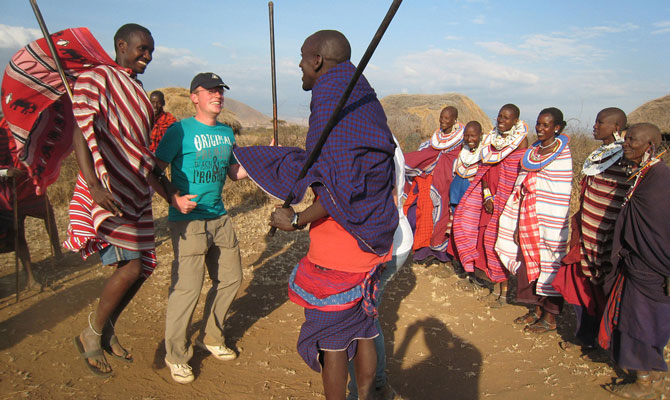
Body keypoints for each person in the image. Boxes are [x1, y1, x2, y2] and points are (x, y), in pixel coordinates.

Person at [233, 30, 397, 400]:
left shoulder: (330, 97)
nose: (300, 66)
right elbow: (338, 165)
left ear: (318, 60)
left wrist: (296, 219)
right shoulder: (360, 95)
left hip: (341, 245)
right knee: (363, 327)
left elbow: (340, 183)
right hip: (374, 235)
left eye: (303, 58)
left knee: (332, 338)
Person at [63, 23, 176, 377]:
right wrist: (95, 184)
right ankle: (91, 334)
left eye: (151, 51)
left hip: (134, 189)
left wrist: (165, 191)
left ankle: (107, 328)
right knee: (129, 267)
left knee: (140, 267)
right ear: (122, 45)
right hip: (108, 187)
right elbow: (84, 131)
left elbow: (137, 147)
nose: (148, 56)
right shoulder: (97, 78)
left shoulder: (137, 90)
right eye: (142, 49)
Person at [155, 72, 246, 384]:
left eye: (220, 91)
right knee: (188, 290)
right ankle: (176, 355)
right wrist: (174, 198)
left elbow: (234, 172)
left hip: (219, 217)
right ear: (194, 97)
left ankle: (212, 336)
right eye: (210, 91)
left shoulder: (225, 132)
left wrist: (267, 158)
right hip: (188, 221)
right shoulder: (179, 131)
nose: (217, 96)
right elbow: (153, 172)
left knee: (232, 278)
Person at [599, 123, 670, 398]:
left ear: (650, 145)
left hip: (650, 267)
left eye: (632, 141)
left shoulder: (659, 180)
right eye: (626, 139)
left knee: (638, 323)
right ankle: (652, 375)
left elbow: (658, 230)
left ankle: (643, 384)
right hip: (642, 264)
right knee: (645, 320)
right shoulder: (645, 175)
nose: (626, 144)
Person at [552, 108, 630, 352]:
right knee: (582, 284)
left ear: (616, 126)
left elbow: (618, 200)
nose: (594, 126)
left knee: (603, 287)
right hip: (587, 232)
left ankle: (605, 343)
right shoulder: (601, 154)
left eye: (600, 122)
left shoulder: (625, 158)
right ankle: (587, 337)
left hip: (605, 237)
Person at [346, 134, 413, 399]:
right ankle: (379, 385)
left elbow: (382, 199)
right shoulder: (385, 136)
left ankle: (363, 392)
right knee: (365, 318)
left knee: (356, 321)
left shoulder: (372, 142)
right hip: (393, 239)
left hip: (384, 244)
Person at [495, 108, 572, 333]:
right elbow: (523, 182)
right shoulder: (534, 151)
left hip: (550, 221)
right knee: (528, 264)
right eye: (538, 124)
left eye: (546, 125)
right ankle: (535, 310)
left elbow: (559, 189)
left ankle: (550, 317)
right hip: (527, 216)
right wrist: (519, 219)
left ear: (557, 128)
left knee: (550, 263)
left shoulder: (562, 155)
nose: (540, 128)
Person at [452, 104, 528, 307]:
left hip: (508, 203)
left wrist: (506, 201)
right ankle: (494, 287)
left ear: (516, 120)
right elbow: (484, 170)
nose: (501, 120)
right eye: (500, 116)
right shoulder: (491, 141)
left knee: (502, 244)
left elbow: (520, 176)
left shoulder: (520, 142)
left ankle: (504, 294)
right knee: (487, 243)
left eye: (507, 117)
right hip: (489, 201)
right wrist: (487, 195)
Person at [0, 122, 62, 290]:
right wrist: (5, 172)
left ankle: (51, 261)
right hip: (7, 189)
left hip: (20, 186)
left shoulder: (11, 126)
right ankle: (27, 278)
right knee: (15, 233)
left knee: (39, 220)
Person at [403, 106, 464, 265]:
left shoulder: (461, 142)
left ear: (454, 120)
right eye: (441, 118)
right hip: (427, 182)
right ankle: (422, 251)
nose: (443, 121)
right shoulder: (434, 139)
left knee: (440, 218)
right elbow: (427, 154)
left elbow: (458, 161)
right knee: (420, 214)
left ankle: (438, 252)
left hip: (446, 185)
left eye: (447, 118)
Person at [447, 121, 484, 279]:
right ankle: (460, 263)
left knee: (470, 233)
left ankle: (469, 266)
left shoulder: (485, 153)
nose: (470, 138)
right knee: (458, 230)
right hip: (457, 196)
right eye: (467, 135)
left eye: (473, 135)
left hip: (472, 200)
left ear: (480, 135)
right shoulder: (461, 151)